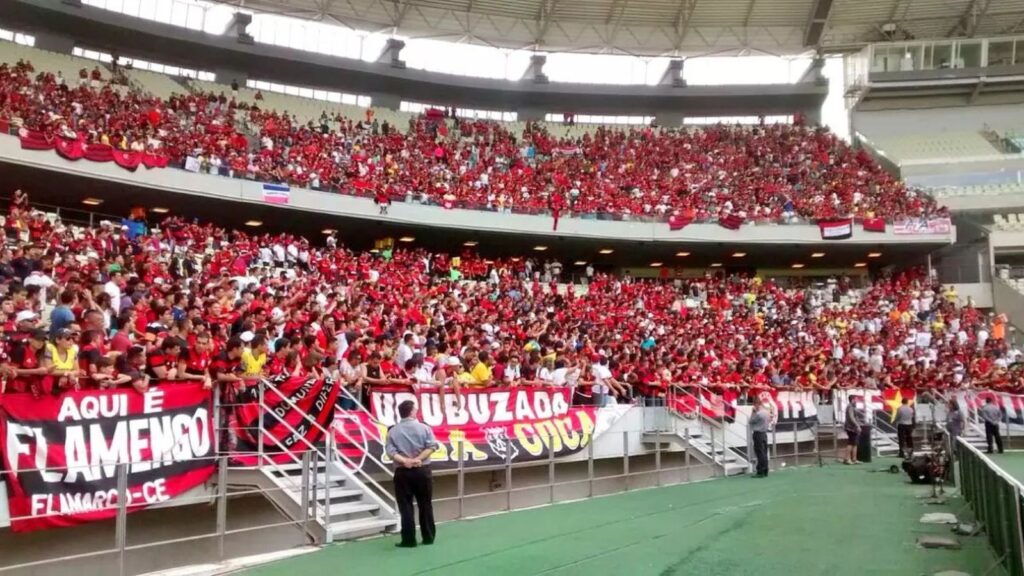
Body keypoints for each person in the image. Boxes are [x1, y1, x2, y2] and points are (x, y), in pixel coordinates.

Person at [385, 400, 438, 548]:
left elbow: (390, 452)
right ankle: (428, 537)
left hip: (402, 471)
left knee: (405, 506)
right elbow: (432, 446)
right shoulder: (425, 428)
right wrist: (418, 459)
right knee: (425, 504)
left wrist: (405, 461)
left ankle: (409, 540)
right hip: (422, 470)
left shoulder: (392, 431)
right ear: (412, 412)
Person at [749, 397, 770, 478]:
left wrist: (753, 412)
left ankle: (760, 471)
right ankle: (765, 470)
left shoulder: (758, 414)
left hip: (758, 433)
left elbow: (751, 421)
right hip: (764, 433)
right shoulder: (766, 412)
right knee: (764, 452)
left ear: (756, 404)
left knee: (759, 453)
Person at [843, 399, 863, 465]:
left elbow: (854, 417)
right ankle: (847, 459)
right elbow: (851, 417)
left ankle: (854, 459)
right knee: (851, 443)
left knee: (855, 443)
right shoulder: (850, 407)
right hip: (851, 428)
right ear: (852, 400)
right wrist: (857, 425)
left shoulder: (852, 407)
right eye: (856, 399)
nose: (857, 400)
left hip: (853, 428)